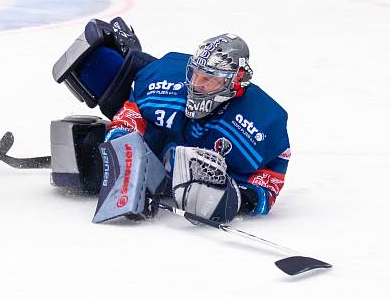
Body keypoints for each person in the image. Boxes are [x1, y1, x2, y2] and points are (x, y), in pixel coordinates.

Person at [51, 18, 290, 224]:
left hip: (178, 169)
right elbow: (129, 115)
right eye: (195, 74)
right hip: (156, 147)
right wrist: (130, 171)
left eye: (208, 80)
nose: (196, 86)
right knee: (87, 157)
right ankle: (124, 50)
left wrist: (237, 200)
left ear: (234, 83)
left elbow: (269, 181)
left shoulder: (262, 123)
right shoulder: (167, 78)